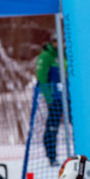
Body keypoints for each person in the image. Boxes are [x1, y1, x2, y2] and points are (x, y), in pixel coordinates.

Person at [36, 33, 68, 166]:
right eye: (57, 41)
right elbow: (42, 78)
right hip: (54, 98)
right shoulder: (46, 57)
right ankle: (51, 155)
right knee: (52, 127)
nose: (60, 44)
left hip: (66, 97)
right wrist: (49, 98)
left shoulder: (64, 55)